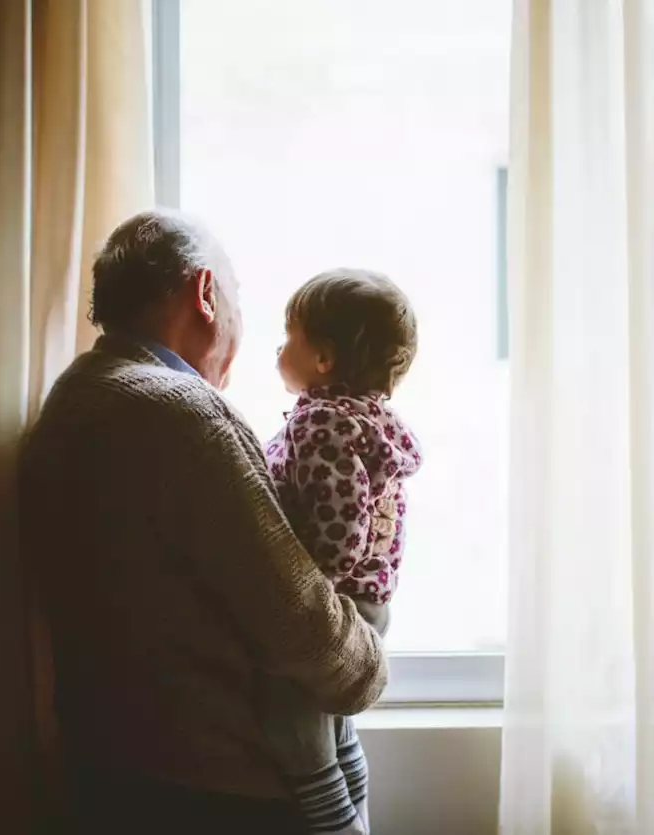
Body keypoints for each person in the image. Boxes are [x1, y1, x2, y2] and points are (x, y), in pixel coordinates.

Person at [18, 211, 388, 834]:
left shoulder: (72, 399)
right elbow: (300, 624)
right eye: (237, 299)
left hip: (106, 774)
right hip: (218, 793)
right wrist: (369, 666)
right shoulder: (183, 414)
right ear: (204, 295)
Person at [262, 270, 422, 833]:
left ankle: (337, 823)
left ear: (323, 359)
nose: (278, 348)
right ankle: (359, 807)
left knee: (296, 721)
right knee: (335, 727)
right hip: (371, 601)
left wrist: (316, 591)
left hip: (339, 601)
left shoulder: (323, 423)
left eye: (288, 337)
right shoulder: (369, 420)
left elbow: (340, 513)